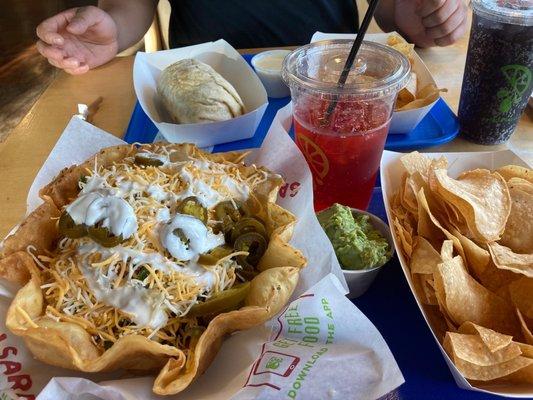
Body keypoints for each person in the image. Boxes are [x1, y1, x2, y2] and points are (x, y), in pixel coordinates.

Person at [36, 0, 468, 75]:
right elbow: (131, 6)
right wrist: (111, 26)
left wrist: (420, 19)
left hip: (334, 81)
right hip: (202, 85)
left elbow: (391, 9)